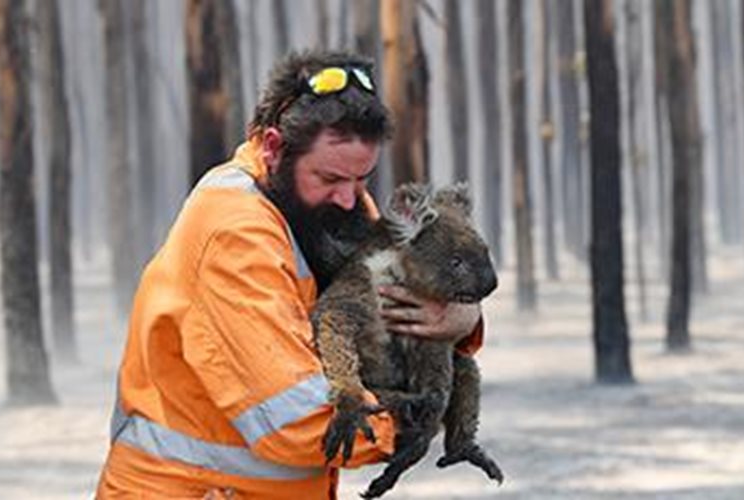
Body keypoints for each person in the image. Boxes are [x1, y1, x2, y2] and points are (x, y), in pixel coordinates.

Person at [96, 50, 486, 499]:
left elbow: (409, 300)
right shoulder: (234, 234)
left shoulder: (327, 209)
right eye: (330, 178)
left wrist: (465, 321)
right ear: (273, 147)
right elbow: (294, 420)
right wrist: (423, 416)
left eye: (362, 179)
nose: (350, 198)